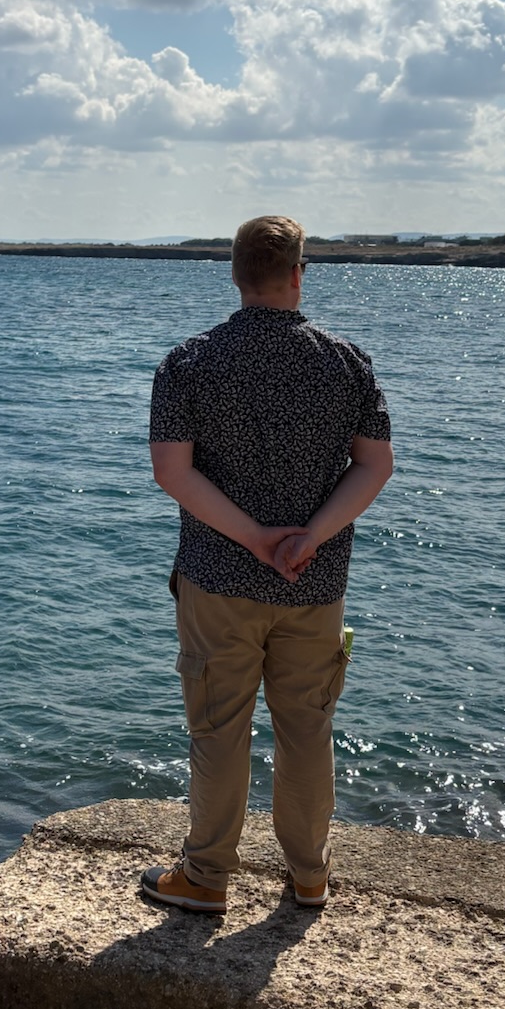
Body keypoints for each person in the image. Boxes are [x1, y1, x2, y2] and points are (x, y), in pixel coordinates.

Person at [143, 214, 394, 915]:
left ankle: (207, 877)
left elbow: (173, 472)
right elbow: (375, 466)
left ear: (235, 275)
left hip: (217, 579)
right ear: (295, 275)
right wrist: (308, 535)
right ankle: (309, 875)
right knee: (307, 729)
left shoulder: (189, 361)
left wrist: (253, 538)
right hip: (314, 582)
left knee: (220, 728)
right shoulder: (346, 362)